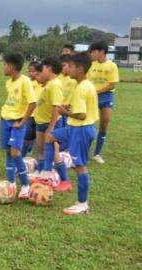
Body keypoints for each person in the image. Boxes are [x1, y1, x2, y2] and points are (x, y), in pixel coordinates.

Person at [46, 52, 98, 215]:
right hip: (74, 128)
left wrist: (64, 111)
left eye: (71, 67)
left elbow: (82, 114)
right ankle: (60, 176)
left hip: (81, 129)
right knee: (50, 136)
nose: (68, 69)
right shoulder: (84, 84)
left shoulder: (82, 88)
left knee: (80, 166)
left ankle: (82, 203)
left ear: (80, 68)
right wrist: (68, 107)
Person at [0, 53, 37, 199]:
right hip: (5, 120)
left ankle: (26, 185)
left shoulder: (25, 81)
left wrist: (22, 122)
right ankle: (11, 183)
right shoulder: (9, 82)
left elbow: (32, 103)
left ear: (11, 66)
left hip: (17, 123)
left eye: (4, 65)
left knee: (15, 153)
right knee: (8, 152)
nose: (2, 68)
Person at [36, 56, 72, 192]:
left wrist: (50, 130)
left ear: (49, 68)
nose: (42, 70)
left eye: (43, 68)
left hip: (50, 125)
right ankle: (42, 176)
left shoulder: (55, 84)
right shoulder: (49, 83)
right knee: (41, 150)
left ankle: (65, 181)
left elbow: (57, 108)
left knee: (53, 153)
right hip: (41, 122)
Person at [87, 41, 119, 164]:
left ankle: (97, 153)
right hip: (92, 97)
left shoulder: (112, 66)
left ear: (101, 51)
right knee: (89, 124)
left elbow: (112, 85)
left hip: (106, 97)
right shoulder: (90, 65)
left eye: (94, 51)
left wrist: (98, 91)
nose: (92, 53)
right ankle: (85, 151)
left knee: (104, 124)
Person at [23, 61, 43, 158]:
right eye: (29, 71)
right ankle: (25, 152)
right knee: (27, 135)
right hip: (29, 113)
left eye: (33, 71)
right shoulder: (27, 81)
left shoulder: (41, 82)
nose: (30, 73)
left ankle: (30, 149)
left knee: (35, 134)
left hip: (39, 114)